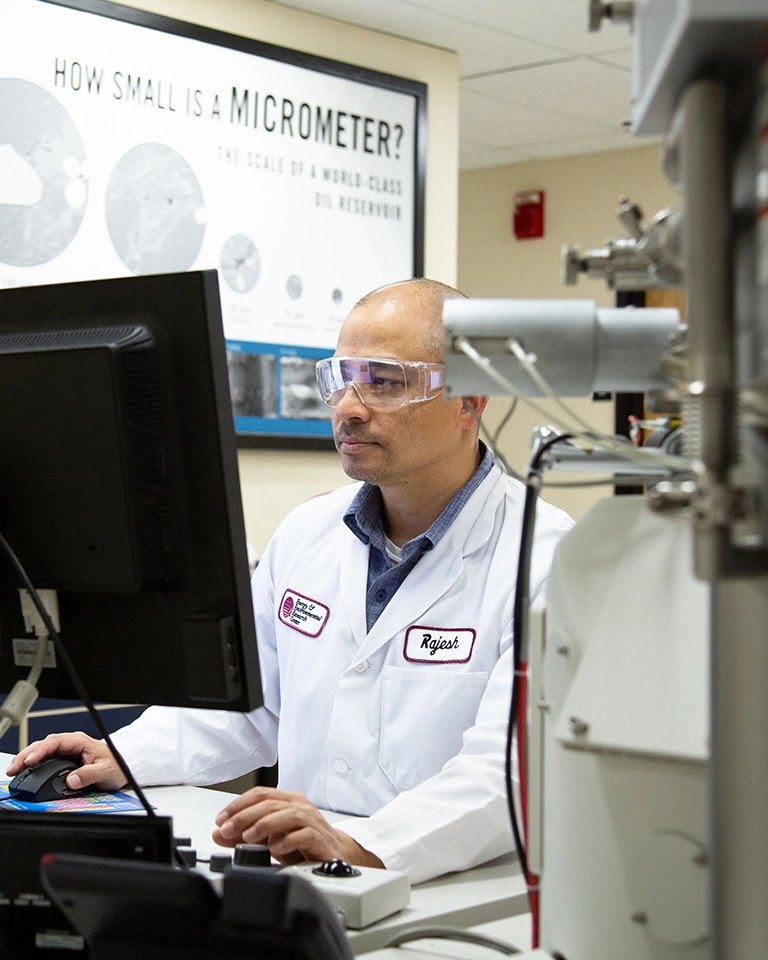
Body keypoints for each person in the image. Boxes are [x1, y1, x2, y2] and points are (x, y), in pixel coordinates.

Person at [7, 279, 573, 884]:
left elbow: (508, 771)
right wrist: (120, 755)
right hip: (310, 878)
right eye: (340, 378)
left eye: (383, 381)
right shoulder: (309, 531)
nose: (349, 407)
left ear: (471, 397)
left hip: (449, 889)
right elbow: (249, 708)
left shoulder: (547, 558)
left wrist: (362, 842)